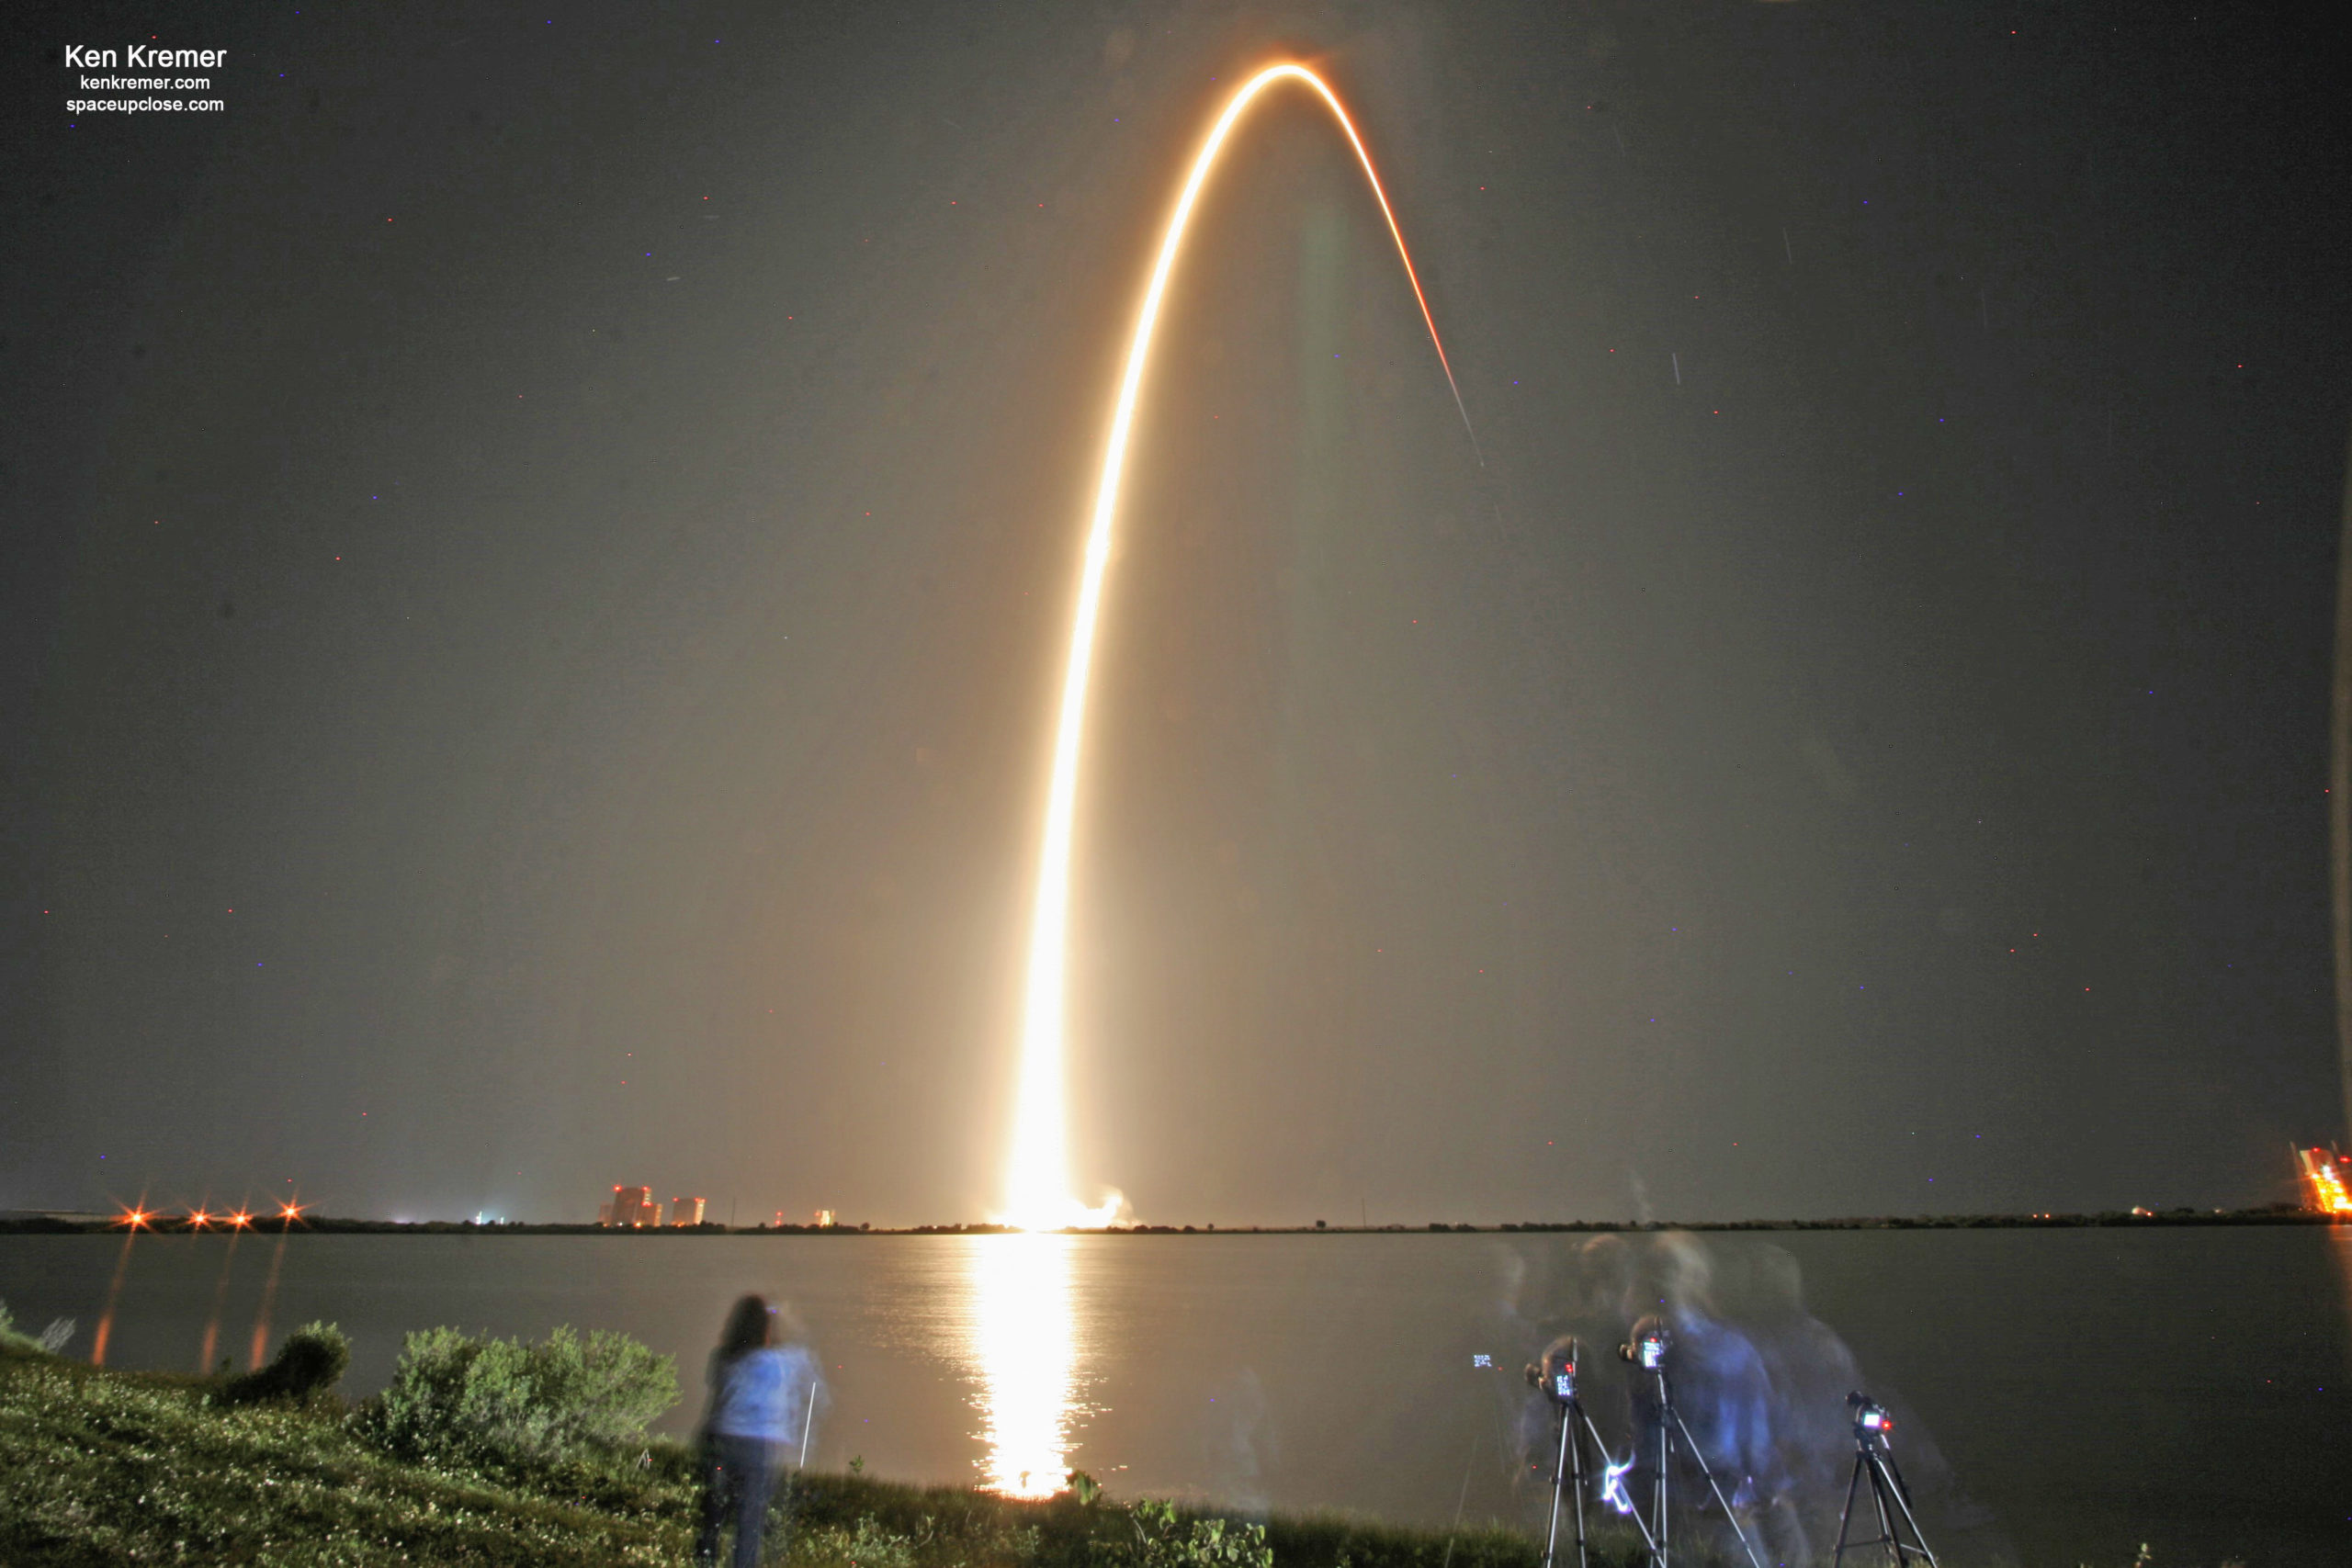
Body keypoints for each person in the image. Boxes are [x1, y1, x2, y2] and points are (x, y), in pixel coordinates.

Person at [696, 1293, 809, 1568]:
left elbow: (717, 1398)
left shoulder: (723, 1357)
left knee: (712, 1518)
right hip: (757, 1449)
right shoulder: (780, 1362)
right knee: (749, 1524)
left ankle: (705, 1563)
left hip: (721, 1439)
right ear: (766, 1328)